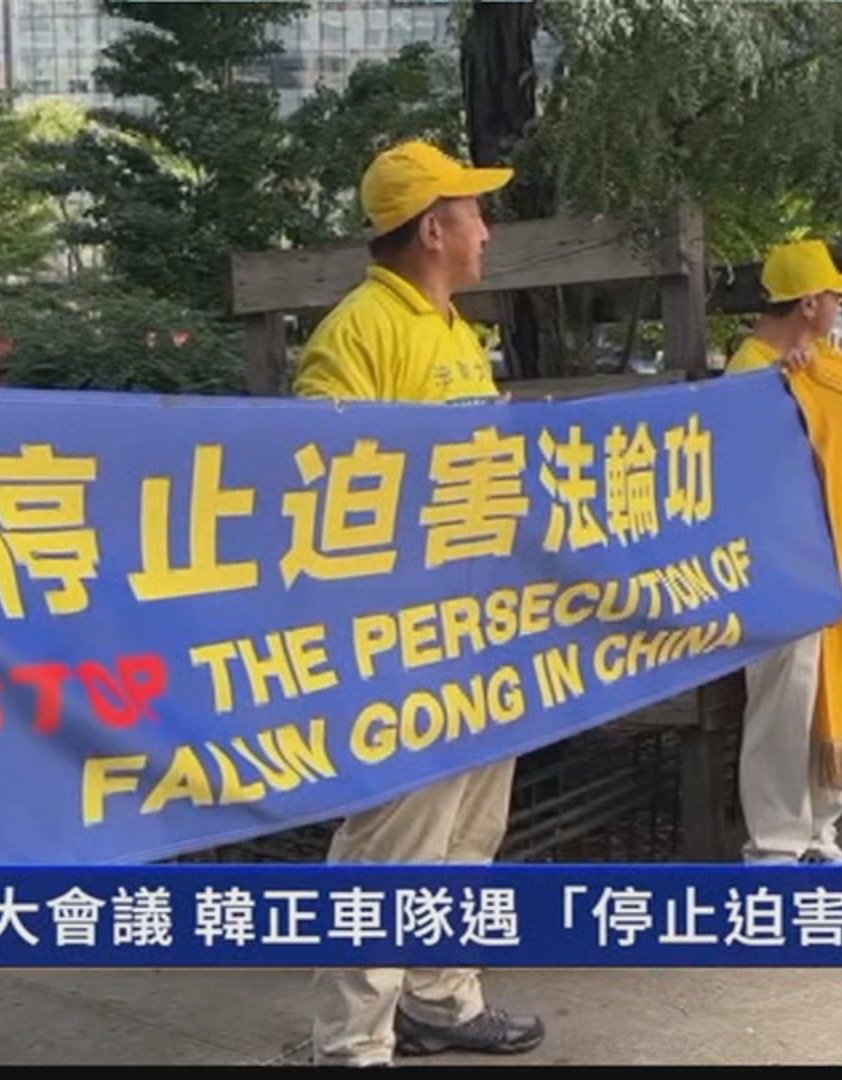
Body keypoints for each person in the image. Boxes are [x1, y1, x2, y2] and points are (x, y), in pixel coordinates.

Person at [293, 141, 543, 1066]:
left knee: (469, 829)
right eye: (475, 214)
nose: (488, 231)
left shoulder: (450, 329)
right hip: (400, 633)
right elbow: (320, 476)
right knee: (392, 838)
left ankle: (440, 997)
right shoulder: (357, 333)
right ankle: (352, 1041)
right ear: (434, 229)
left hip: (474, 622)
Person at [723, 238, 842, 865]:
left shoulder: (817, 364)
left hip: (819, 553)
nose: (839, 306)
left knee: (821, 691)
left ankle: (818, 831)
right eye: (834, 296)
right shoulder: (749, 375)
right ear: (809, 303)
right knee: (782, 698)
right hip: (773, 560)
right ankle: (774, 846)